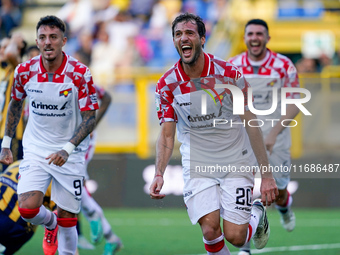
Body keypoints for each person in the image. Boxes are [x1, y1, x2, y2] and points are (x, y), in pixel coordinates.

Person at [149, 13, 278, 255]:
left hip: (235, 160)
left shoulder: (229, 74)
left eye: (189, 33)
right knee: (209, 230)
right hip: (197, 163)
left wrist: (266, 174)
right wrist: (159, 172)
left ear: (202, 39)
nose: (183, 38)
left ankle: (256, 213)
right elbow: (167, 135)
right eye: (178, 34)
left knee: (236, 238)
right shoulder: (166, 84)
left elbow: (251, 122)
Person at [0, 15, 99, 255]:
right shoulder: (25, 71)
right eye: (42, 37)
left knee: (68, 219)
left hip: (69, 152)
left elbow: (90, 118)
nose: (47, 42)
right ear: (37, 40)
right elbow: (15, 104)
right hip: (36, 149)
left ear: (63, 41)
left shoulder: (80, 74)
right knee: (27, 209)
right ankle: (50, 224)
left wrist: (67, 149)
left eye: (53, 37)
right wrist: (6, 143)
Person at [228, 19, 300, 255]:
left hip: (275, 136)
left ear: (268, 38)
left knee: (276, 193)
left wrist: (274, 132)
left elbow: (294, 102)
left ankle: (285, 206)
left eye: (260, 33)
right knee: (246, 191)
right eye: (250, 33)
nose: (255, 37)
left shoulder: (284, 65)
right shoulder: (233, 65)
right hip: (244, 137)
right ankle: (245, 248)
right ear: (245, 37)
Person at [72, 49, 123, 255]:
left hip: (82, 142)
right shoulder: (61, 82)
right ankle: (109, 236)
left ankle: (95, 221)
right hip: (67, 141)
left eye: (78, 62)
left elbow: (108, 98)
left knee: (74, 184)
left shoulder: (86, 83)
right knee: (75, 188)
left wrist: (91, 125)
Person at [0, 160, 56, 255]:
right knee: (33, 214)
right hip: (14, 223)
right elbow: (61, 215)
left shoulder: (19, 162)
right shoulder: (51, 178)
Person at [0, 33, 27, 172]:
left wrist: (15, 40)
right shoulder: (6, 72)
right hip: (2, 133)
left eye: (5, 47)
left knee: (10, 178)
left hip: (14, 134)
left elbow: (10, 54)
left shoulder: (20, 69)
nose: (2, 50)